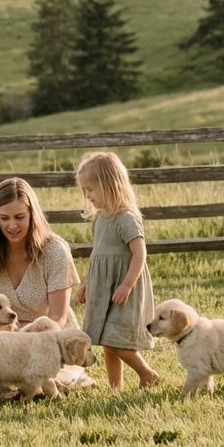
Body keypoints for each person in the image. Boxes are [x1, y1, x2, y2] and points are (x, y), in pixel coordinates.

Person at [74, 151, 159, 389]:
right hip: (104, 288)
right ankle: (115, 387)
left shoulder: (126, 219)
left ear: (110, 185)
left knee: (116, 340)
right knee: (106, 341)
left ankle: (147, 373)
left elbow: (139, 254)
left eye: (91, 189)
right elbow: (97, 255)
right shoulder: (100, 219)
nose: (87, 196)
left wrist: (127, 284)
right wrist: (87, 284)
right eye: (85, 191)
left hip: (123, 289)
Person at [0, 177, 80, 327]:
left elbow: (57, 318)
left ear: (32, 215)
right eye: (4, 218)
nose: (12, 226)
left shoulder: (55, 251)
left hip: (48, 335)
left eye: (19, 217)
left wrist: (25, 334)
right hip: (4, 336)